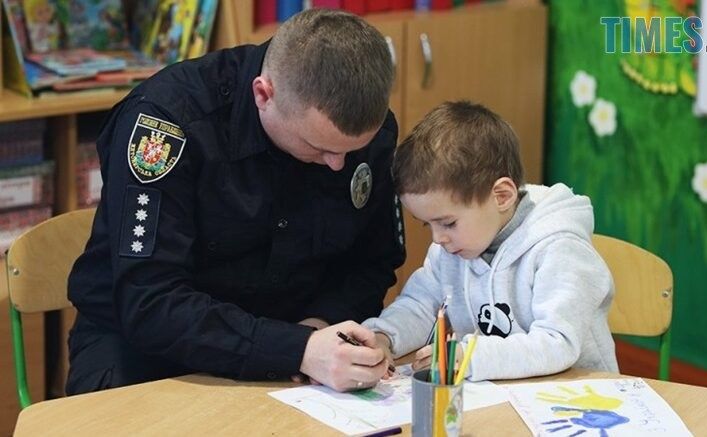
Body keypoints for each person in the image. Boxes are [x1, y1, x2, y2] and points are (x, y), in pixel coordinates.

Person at [66, 8, 405, 395]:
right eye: (318, 147)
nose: (337, 164)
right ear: (263, 94)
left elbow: (372, 261)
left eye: (351, 150)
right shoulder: (167, 123)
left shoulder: (364, 130)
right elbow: (150, 302)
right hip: (145, 349)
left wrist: (320, 323)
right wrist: (294, 349)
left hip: (300, 349)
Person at [363, 101, 618, 381]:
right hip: (499, 397)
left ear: (502, 196)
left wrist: (467, 356)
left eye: (448, 223)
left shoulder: (559, 248)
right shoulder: (454, 247)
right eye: (429, 224)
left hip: (578, 398)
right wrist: (383, 337)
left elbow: (558, 343)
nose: (438, 238)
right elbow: (421, 305)